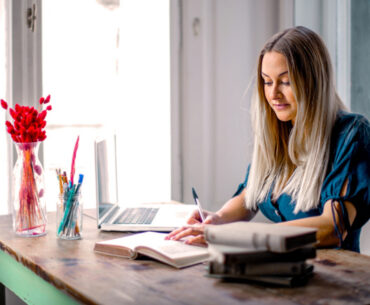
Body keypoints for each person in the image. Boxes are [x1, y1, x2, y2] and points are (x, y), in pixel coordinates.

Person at [166, 26, 370, 253]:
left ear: (313, 83)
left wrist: (235, 236)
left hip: (333, 277)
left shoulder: (352, 135)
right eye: (267, 81)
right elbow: (250, 195)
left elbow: (332, 227)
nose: (273, 95)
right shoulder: (279, 130)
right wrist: (217, 220)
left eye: (285, 81)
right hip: (278, 269)